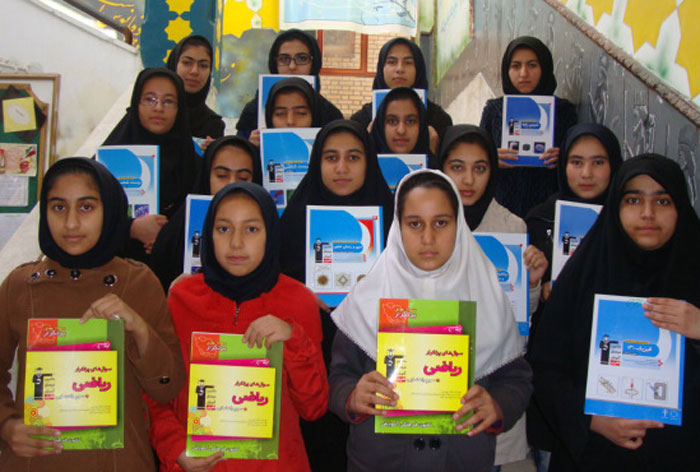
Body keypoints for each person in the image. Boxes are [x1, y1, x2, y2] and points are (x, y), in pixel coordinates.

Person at [329, 169, 533, 471]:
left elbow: (517, 379)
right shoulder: (367, 297)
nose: (428, 238)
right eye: (414, 224)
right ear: (398, 226)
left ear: (459, 225)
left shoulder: (487, 295)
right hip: (380, 461)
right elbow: (339, 376)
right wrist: (351, 395)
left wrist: (497, 404)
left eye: (441, 223)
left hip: (461, 461)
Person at [0, 157, 184, 471]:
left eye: (86, 207)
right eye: (58, 207)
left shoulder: (138, 282)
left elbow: (167, 387)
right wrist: (6, 426)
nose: (71, 223)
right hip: (37, 460)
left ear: (109, 210)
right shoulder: (20, 286)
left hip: (119, 462)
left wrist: (139, 329)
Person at [529, 154, 700, 471]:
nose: (648, 213)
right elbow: (546, 368)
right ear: (616, 207)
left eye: (662, 201)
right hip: (594, 456)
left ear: (680, 207)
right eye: (633, 200)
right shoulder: (585, 274)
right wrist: (589, 420)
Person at [146, 181, 328, 472]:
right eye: (223, 229)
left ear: (271, 234)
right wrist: (175, 449)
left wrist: (293, 340)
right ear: (208, 234)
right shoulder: (181, 298)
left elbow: (314, 407)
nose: (236, 243)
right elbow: (156, 392)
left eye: (251, 229)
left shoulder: (298, 301)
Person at [279, 119, 394, 470]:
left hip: (373, 367)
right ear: (317, 163)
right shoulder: (291, 224)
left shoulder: (395, 224)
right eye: (331, 158)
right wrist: (297, 294)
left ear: (369, 162)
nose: (342, 168)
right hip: (308, 364)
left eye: (353, 157)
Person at [103, 67, 200, 258]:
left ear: (179, 109)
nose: (158, 108)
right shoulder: (106, 161)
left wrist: (169, 238)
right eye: (150, 99)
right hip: (114, 269)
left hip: (174, 271)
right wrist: (130, 228)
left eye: (168, 101)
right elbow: (88, 219)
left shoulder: (195, 166)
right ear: (136, 104)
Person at [479, 36, 578, 218]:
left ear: (544, 68)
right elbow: (477, 156)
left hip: (548, 211)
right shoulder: (494, 110)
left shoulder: (564, 111)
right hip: (502, 209)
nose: (524, 73)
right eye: (516, 66)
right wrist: (489, 158)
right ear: (506, 70)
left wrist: (565, 157)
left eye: (532, 65)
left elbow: (577, 159)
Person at [149, 135, 262, 291]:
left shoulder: (268, 226)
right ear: (206, 176)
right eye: (222, 176)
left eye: (243, 177)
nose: (231, 184)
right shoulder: (176, 232)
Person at [525, 123, 623, 302]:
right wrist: (539, 289)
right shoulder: (540, 220)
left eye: (598, 162)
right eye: (576, 162)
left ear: (614, 165)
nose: (586, 174)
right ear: (563, 165)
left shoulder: (629, 221)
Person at [236, 29, 343, 140]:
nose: (292, 66)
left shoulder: (330, 115)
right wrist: (249, 147)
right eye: (284, 59)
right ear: (274, 64)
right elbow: (237, 148)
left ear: (314, 63)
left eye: (302, 58)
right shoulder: (253, 112)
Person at [350, 37, 452, 143]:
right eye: (392, 62)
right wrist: (366, 144)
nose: (400, 69)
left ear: (418, 69)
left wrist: (435, 149)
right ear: (381, 68)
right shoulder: (360, 121)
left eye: (408, 62)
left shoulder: (438, 120)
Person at [166, 35, 225, 146]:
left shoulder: (213, 125)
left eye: (203, 65)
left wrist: (214, 152)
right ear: (174, 64)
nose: (195, 71)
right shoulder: (154, 114)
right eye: (187, 63)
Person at [370, 87, 439, 166]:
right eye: (392, 121)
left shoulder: (439, 171)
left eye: (410, 121)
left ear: (421, 126)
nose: (401, 130)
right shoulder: (364, 169)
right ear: (380, 126)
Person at [248, 77, 324, 147]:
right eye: (280, 113)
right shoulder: (259, 149)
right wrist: (252, 151)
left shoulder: (326, 151)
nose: (290, 121)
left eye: (301, 113)